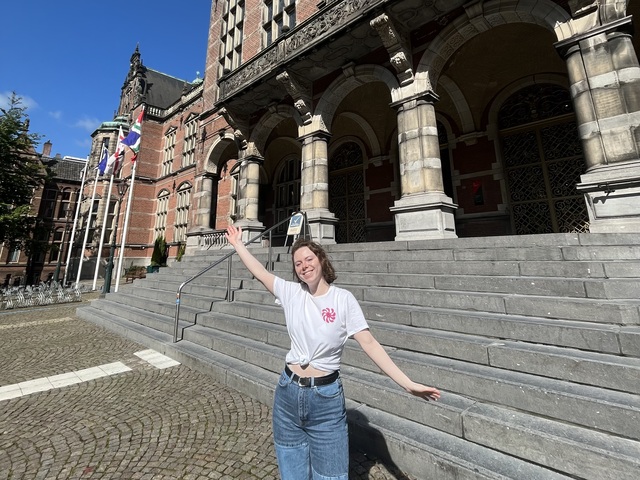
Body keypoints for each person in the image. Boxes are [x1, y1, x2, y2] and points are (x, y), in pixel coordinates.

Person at [224, 225, 440, 480]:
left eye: (309, 259)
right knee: (291, 473)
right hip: (288, 393)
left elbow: (369, 343)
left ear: (321, 260)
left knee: (331, 476)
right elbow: (260, 272)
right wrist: (238, 244)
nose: (304, 266)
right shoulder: (292, 293)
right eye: (298, 263)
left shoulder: (343, 300)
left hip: (325, 399)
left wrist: (407, 384)